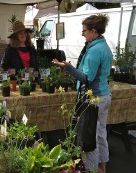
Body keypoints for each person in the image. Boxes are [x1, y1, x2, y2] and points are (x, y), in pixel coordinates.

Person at [52, 14, 112, 173]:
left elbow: (86, 78)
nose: (83, 34)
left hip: (93, 100)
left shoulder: (94, 51)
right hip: (104, 95)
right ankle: (102, 168)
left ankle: (92, 169)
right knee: (100, 134)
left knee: (89, 138)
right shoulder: (104, 46)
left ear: (93, 31)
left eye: (84, 31)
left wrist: (68, 67)